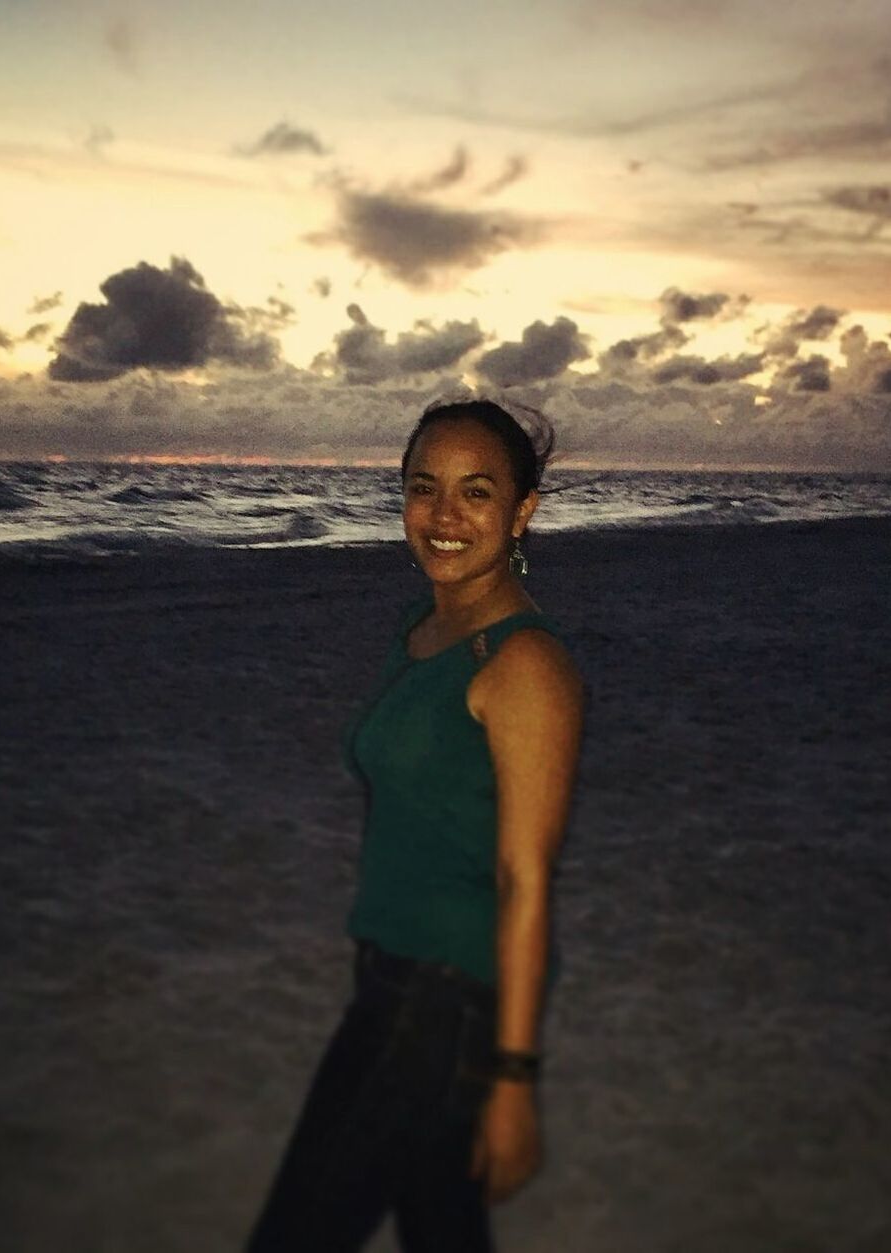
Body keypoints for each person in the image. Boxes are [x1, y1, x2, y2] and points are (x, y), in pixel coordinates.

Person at [245, 397, 584, 1253]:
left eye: (476, 492)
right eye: (421, 487)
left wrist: (512, 1078)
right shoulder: (427, 627)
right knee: (441, 1226)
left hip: (439, 1006)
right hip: (390, 977)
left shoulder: (523, 664)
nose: (442, 516)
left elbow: (525, 882)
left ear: (523, 510)